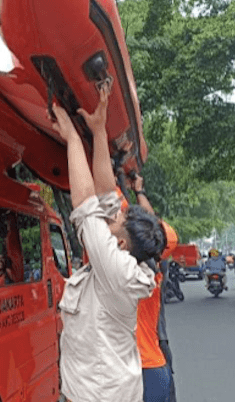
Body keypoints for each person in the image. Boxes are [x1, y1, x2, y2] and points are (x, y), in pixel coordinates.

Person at [52, 86, 166, 402]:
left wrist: (74, 139)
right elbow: (104, 193)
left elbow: (87, 203)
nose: (113, 214)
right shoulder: (126, 260)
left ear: (119, 243)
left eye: (115, 220)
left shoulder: (117, 270)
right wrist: (98, 131)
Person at [130, 175, 178, 402]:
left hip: (142, 357)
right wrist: (139, 192)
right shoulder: (158, 264)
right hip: (154, 353)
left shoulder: (136, 266)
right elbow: (152, 224)